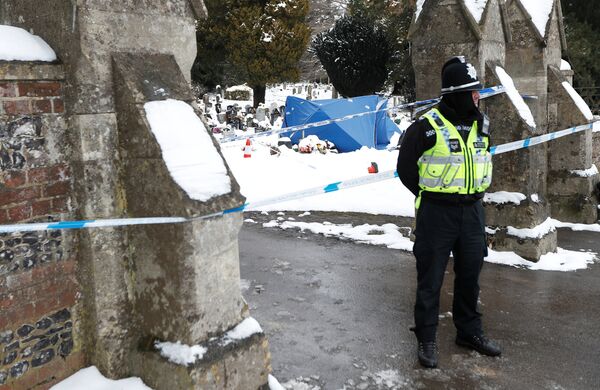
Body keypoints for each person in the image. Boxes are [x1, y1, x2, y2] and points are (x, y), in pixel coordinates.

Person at [397, 56, 501, 368]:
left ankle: (469, 331)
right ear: (457, 93)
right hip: (437, 214)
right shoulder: (426, 127)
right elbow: (405, 170)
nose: (478, 97)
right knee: (430, 278)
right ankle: (426, 338)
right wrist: (429, 196)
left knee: (470, 275)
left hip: (472, 212)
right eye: (473, 92)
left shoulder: (481, 126)